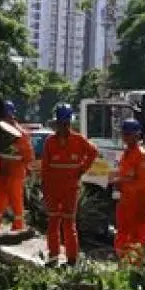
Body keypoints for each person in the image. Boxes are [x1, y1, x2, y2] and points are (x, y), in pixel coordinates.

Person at [40, 103, 100, 266]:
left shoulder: (79, 140)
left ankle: (72, 259)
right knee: (53, 222)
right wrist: (44, 188)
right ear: (57, 123)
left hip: (70, 189)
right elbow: (45, 167)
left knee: (68, 223)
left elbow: (94, 152)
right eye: (61, 123)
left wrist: (82, 169)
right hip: (53, 189)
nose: (64, 127)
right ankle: (53, 257)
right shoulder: (50, 142)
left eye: (66, 123)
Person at [0, 100, 34, 235]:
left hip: (15, 174)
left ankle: (18, 229)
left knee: (16, 202)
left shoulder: (21, 134)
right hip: (1, 173)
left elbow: (28, 156)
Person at [110, 117, 145, 264]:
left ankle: (134, 265)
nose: (125, 137)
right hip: (126, 201)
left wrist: (121, 182)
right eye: (124, 134)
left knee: (137, 236)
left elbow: (142, 183)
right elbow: (126, 175)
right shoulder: (127, 153)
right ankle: (123, 261)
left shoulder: (141, 155)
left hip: (138, 202)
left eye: (127, 134)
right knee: (122, 232)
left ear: (136, 135)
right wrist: (118, 183)